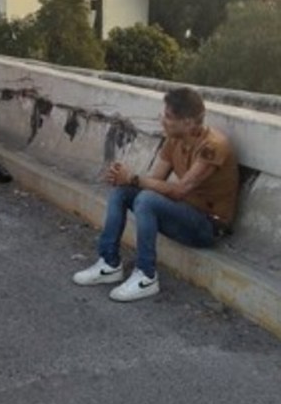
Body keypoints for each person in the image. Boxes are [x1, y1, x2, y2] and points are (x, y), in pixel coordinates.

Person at [72, 87, 239, 302]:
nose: (163, 120)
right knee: (124, 193)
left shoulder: (213, 147)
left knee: (146, 199)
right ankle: (109, 263)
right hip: (182, 214)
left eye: (169, 117)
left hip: (207, 226)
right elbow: (154, 180)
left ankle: (146, 275)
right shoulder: (174, 140)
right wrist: (123, 178)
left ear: (188, 122)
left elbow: (180, 190)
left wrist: (133, 178)